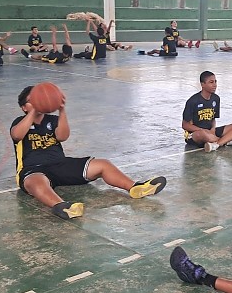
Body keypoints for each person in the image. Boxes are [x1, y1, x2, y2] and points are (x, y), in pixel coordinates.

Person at [10, 86, 167, 219]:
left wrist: (62, 110)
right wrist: (34, 110)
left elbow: (63, 136)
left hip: (60, 164)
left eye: (38, 99)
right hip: (33, 169)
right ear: (24, 107)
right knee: (37, 183)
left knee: (103, 164)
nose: (37, 103)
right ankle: (61, 206)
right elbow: (17, 135)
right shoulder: (19, 122)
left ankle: (135, 188)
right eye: (31, 101)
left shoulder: (52, 120)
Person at [182, 70, 232, 152]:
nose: (215, 85)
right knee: (202, 134)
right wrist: (201, 130)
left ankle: (216, 144)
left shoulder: (216, 98)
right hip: (196, 134)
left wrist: (213, 129)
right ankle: (227, 141)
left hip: (211, 132)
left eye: (215, 82)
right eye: (211, 82)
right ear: (202, 84)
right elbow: (185, 125)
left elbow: (213, 119)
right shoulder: (193, 101)